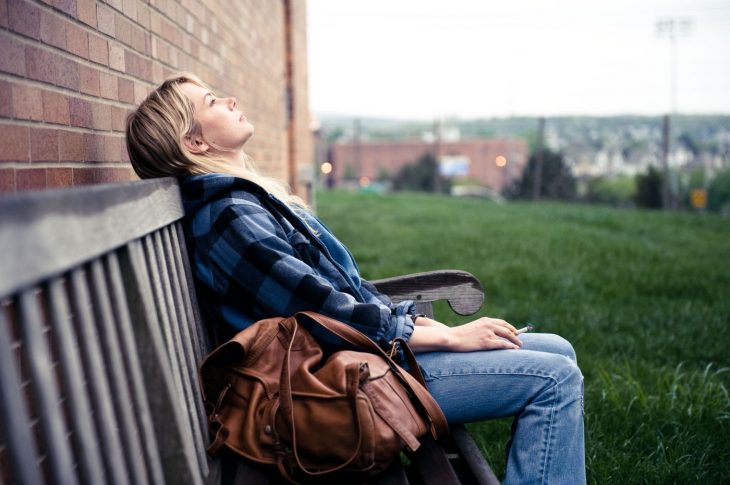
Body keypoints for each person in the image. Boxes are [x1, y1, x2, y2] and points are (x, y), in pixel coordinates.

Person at [126, 73, 586, 484]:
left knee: (559, 350)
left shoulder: (238, 202)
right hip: (342, 384)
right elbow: (320, 310)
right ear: (195, 144)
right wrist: (447, 338)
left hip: (354, 356)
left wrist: (417, 324)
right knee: (554, 379)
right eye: (210, 102)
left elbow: (336, 295)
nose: (228, 99)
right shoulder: (230, 216)